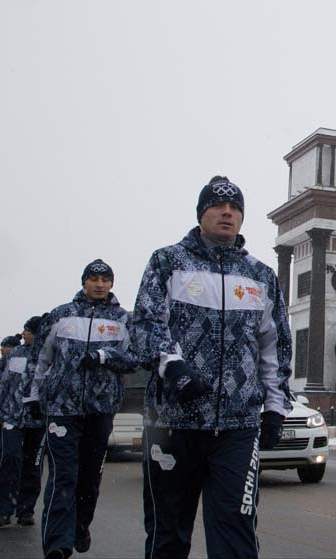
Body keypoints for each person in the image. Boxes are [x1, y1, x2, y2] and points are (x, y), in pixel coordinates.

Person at [132, 175, 292, 559]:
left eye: (235, 208)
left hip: (237, 427)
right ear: (201, 213)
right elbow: (146, 324)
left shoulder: (260, 275)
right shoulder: (167, 261)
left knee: (235, 534)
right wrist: (173, 367)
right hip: (173, 422)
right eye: (217, 206)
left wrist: (274, 407)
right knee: (168, 535)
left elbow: (276, 345)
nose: (227, 213)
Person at [33, 259, 137, 558]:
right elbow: (41, 360)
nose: (100, 284)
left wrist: (104, 356)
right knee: (62, 475)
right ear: (84, 281)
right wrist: (36, 399)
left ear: (112, 284)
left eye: (105, 279)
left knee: (89, 476)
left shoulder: (122, 320)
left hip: (101, 409)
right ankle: (57, 544)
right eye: (94, 278)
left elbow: (134, 359)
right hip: (62, 408)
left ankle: (80, 525)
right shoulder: (60, 315)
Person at [0, 317, 46, 528]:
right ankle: (4, 509)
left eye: (28, 331)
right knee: (10, 460)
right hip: (12, 418)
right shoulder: (16, 354)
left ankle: (26, 510)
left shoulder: (49, 354)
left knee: (33, 466)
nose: (24, 334)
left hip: (37, 422)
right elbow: (5, 384)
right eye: (25, 330)